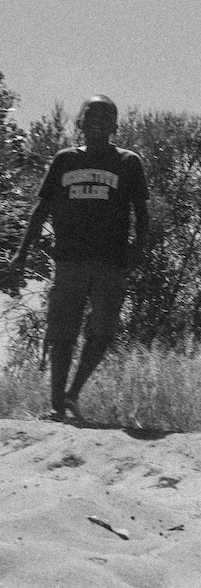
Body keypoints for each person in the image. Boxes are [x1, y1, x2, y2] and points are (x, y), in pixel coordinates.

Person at [1, 96, 150, 421]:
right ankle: (57, 406)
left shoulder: (128, 162)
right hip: (69, 261)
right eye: (91, 115)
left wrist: (140, 247)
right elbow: (41, 209)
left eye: (106, 115)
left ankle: (72, 393)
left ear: (114, 125)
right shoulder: (65, 160)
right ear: (79, 122)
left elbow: (142, 211)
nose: (97, 120)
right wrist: (21, 254)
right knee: (61, 333)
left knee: (102, 332)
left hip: (111, 261)